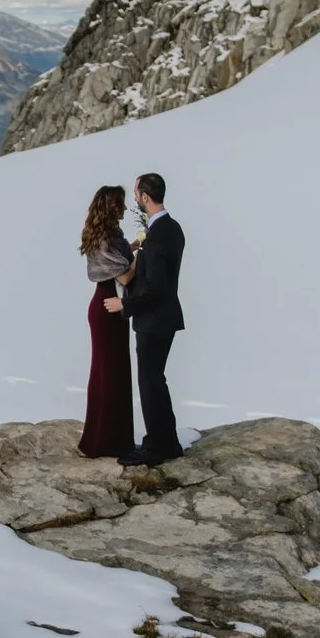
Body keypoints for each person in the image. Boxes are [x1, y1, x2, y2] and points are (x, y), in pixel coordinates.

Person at [102, 172, 184, 464]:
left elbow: (156, 288)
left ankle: (158, 447)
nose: (135, 199)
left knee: (150, 383)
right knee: (155, 381)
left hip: (155, 320)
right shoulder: (169, 228)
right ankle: (165, 441)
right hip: (161, 318)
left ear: (145, 197)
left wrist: (124, 304)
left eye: (136, 195)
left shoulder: (160, 234)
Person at [76, 185, 136, 459]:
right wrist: (142, 256)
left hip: (106, 305)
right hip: (108, 306)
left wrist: (132, 247)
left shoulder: (105, 236)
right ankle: (108, 441)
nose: (125, 209)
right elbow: (123, 276)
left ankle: (104, 438)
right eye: (121, 204)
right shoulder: (107, 238)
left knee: (109, 372)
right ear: (112, 208)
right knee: (111, 373)